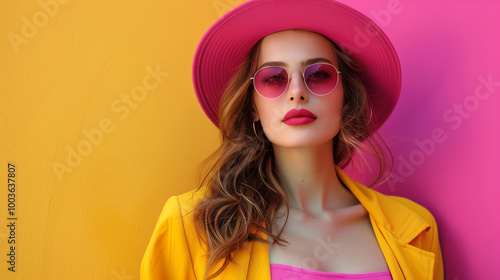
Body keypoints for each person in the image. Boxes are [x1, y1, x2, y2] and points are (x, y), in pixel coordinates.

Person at [140, 0, 444, 279]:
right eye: (273, 78)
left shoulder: (414, 229)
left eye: (318, 75)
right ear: (252, 107)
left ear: (345, 98)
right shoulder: (192, 224)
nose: (297, 91)